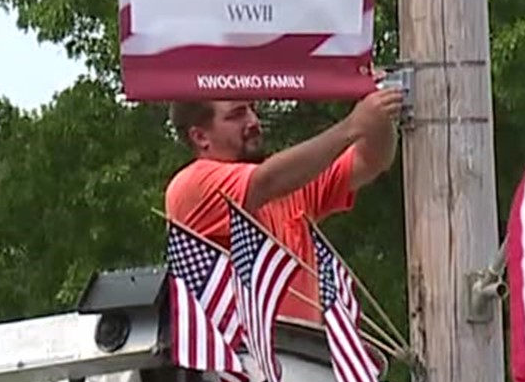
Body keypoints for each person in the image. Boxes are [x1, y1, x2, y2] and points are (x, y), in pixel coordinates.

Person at [165, 89, 402, 327]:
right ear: (200, 137)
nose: (253, 121)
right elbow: (266, 181)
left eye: (252, 109)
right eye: (237, 114)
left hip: (299, 354)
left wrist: (377, 107)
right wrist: (353, 126)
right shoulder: (191, 184)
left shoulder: (290, 181)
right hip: (236, 356)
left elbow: (372, 161)